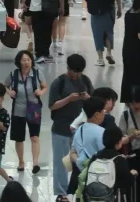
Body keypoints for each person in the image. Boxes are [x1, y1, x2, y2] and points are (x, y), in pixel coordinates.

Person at [49, 53, 94, 201]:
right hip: (61, 129)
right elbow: (52, 106)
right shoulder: (59, 82)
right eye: (75, 71)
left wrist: (88, 99)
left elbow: (95, 103)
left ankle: (79, 190)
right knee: (61, 163)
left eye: (79, 72)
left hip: (81, 131)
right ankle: (61, 194)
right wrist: (69, 99)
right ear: (68, 68)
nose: (77, 75)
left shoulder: (85, 81)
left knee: (81, 162)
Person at [4, 50, 47, 174]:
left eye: (28, 59)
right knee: (19, 138)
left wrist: (41, 92)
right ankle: (21, 161)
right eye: (24, 60)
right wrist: (9, 92)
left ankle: (35, 163)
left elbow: (44, 86)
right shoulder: (13, 74)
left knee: (34, 136)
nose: (26, 62)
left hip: (34, 109)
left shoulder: (38, 73)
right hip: (18, 109)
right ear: (19, 62)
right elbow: (5, 85)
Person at [79, 126, 137, 200]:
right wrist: (132, 173)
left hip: (91, 197)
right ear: (119, 142)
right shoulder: (118, 159)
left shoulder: (96, 156)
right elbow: (127, 181)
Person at [121, 0, 140, 103]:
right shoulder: (138, 17)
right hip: (136, 49)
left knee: (128, 74)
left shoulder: (128, 14)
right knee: (137, 74)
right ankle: (136, 98)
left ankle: (127, 97)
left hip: (127, 48)